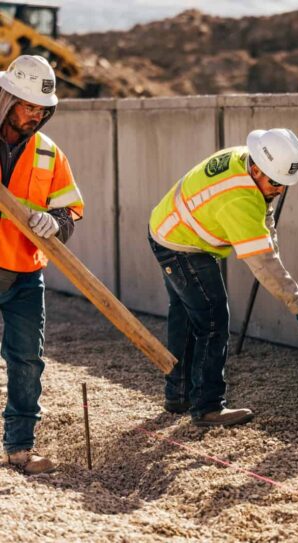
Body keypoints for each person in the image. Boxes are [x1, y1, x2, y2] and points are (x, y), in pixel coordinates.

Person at [148, 127, 298, 427]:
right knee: (213, 320)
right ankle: (208, 406)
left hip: (166, 228)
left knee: (187, 317)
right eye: (276, 183)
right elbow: (263, 263)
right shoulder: (239, 199)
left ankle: (178, 396)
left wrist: (273, 249)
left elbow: (264, 224)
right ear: (257, 169)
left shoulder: (245, 160)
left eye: (284, 185)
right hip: (182, 246)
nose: (280, 190)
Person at [0, 56, 84, 474]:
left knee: (27, 359)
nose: (36, 115)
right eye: (28, 106)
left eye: (42, 109)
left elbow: (72, 210)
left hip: (25, 273)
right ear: (8, 97)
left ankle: (19, 448)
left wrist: (57, 222)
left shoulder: (50, 154)